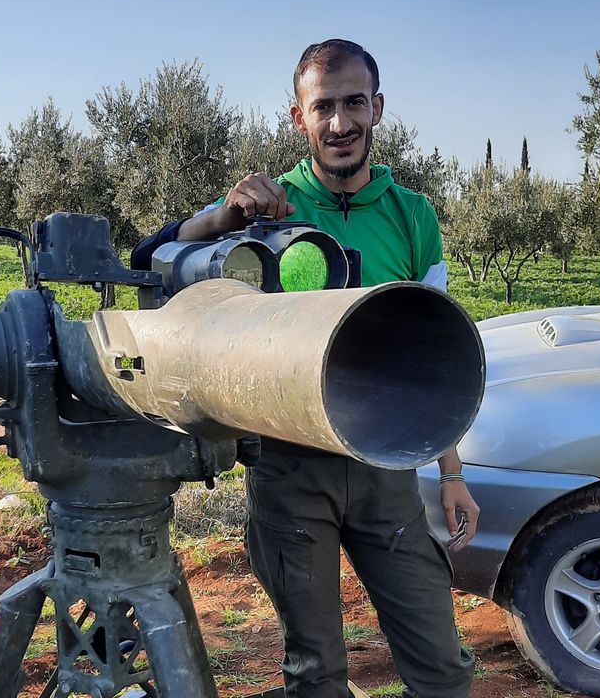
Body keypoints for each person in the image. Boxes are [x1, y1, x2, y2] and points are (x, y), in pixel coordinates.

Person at [131, 39, 480, 698]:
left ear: (377, 108)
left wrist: (452, 474)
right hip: (291, 470)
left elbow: (432, 361)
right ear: (300, 118)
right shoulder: (265, 207)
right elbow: (151, 255)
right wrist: (223, 216)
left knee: (444, 671)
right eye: (323, 107)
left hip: (387, 471)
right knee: (315, 674)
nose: (340, 123)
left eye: (354, 103)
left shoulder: (414, 218)